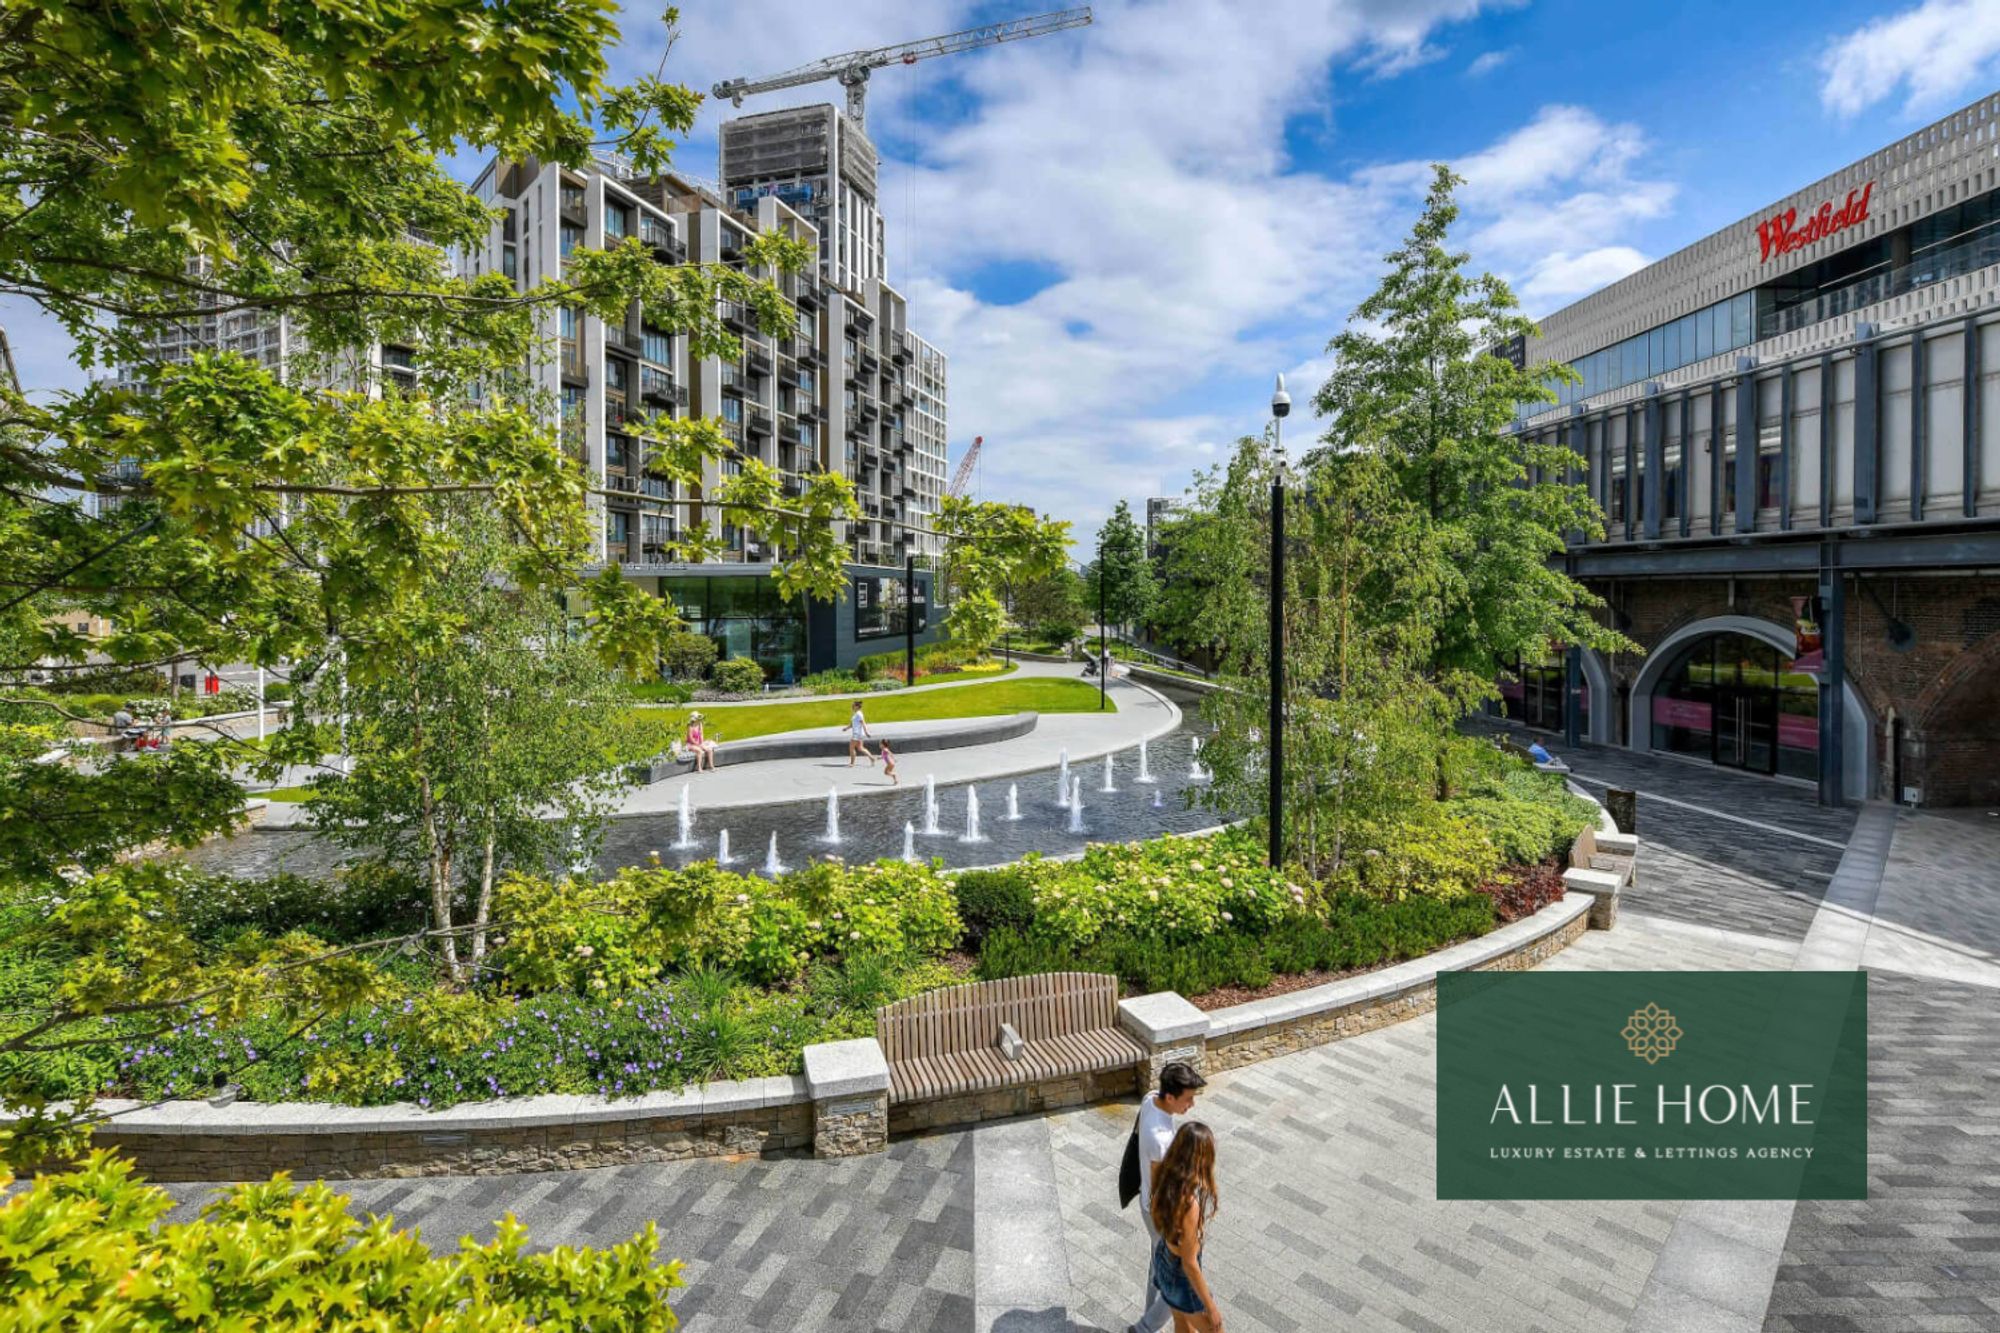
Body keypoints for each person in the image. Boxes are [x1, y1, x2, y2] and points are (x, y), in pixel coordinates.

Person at [1130, 1061, 1207, 1333]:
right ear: (1171, 1097)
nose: (1191, 1105)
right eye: (1188, 1099)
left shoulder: (1151, 1099)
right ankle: (1144, 1328)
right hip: (1160, 1213)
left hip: (1146, 1202)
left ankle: (1146, 1321)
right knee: (1177, 1278)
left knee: (1157, 1266)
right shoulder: (1160, 1140)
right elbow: (1162, 1188)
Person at [1150, 1122, 1222, 1333]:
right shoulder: (1189, 1206)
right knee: (1215, 1329)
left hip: (1164, 1260)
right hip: (1181, 1276)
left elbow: (1155, 1214)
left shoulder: (1164, 1177)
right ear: (1199, 1158)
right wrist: (1211, 1307)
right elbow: (1189, 1263)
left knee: (1183, 1326)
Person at [847, 701, 874, 767]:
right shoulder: (856, 714)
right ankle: (872, 758)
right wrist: (846, 728)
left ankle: (852, 763)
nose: (852, 707)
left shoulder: (859, 714)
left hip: (857, 734)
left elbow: (863, 723)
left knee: (851, 748)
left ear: (857, 707)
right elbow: (852, 724)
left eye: (853, 705)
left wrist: (866, 732)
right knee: (860, 748)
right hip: (858, 734)